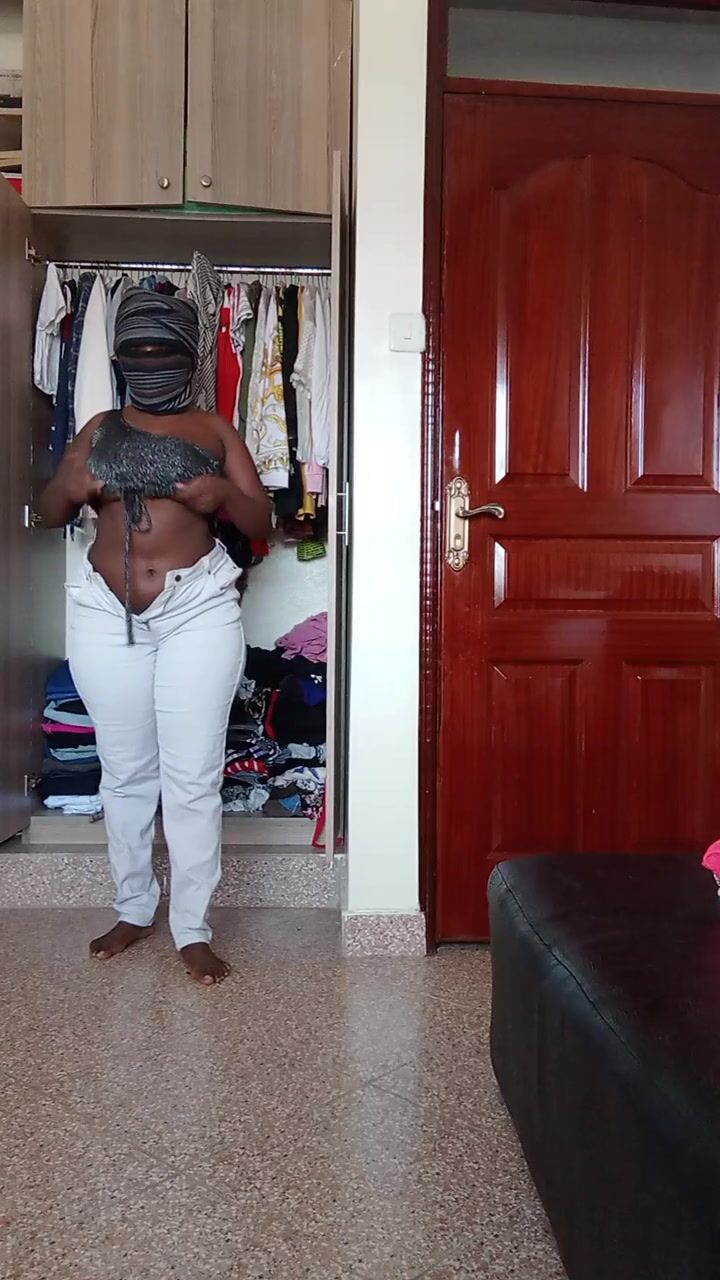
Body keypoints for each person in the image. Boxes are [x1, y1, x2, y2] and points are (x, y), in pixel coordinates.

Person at [37, 289, 272, 985]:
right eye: (135, 351)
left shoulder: (215, 429)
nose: (148, 361)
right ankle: (134, 907)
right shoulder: (99, 427)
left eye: (162, 351)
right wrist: (72, 486)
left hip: (197, 610)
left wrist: (221, 497)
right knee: (125, 771)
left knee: (193, 777)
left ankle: (191, 927)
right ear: (118, 358)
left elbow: (263, 521)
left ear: (188, 355)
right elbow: (49, 512)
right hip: (104, 612)